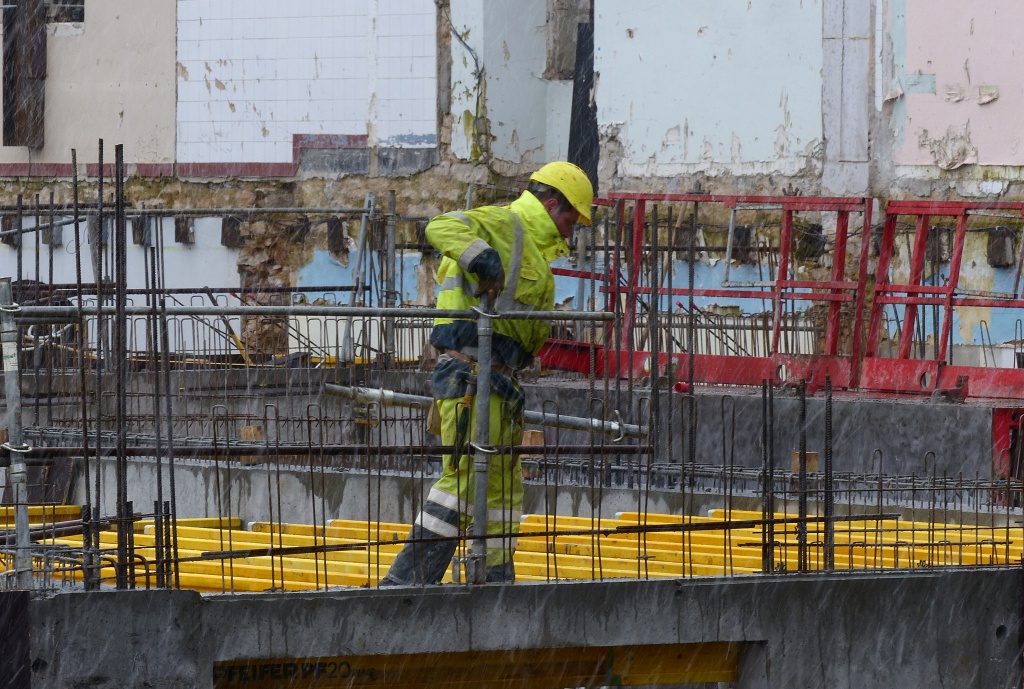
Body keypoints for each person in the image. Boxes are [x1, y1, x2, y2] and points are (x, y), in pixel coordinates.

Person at [379, 161, 594, 586]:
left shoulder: (533, 252)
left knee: (501, 486)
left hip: (499, 380)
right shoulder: (503, 224)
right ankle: (407, 582)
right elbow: (440, 226)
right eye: (570, 219)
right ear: (551, 205)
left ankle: (495, 579)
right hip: (469, 376)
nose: (572, 231)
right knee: (462, 479)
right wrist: (482, 258)